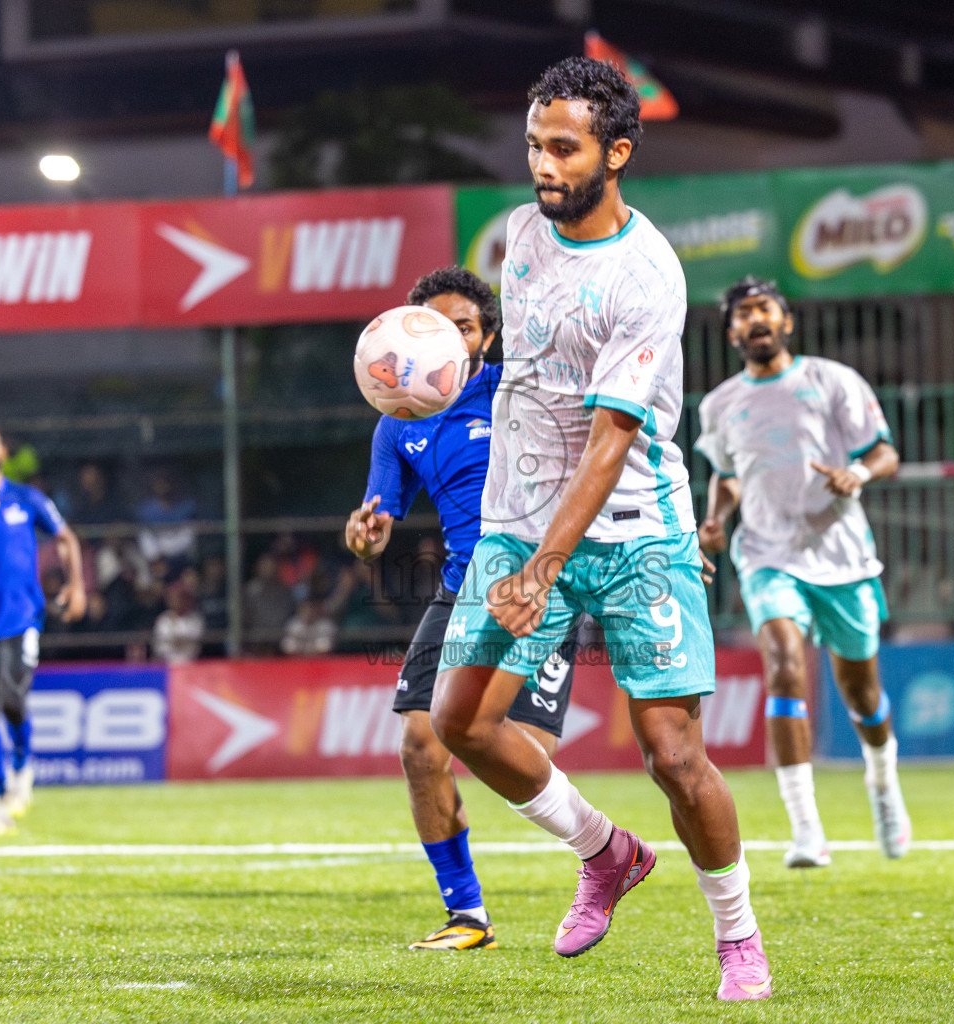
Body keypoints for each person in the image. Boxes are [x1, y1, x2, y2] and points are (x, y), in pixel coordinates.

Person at [428, 58, 770, 1001]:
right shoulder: (523, 238)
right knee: (460, 721)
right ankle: (605, 852)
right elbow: (530, 376)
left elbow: (616, 433)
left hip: (635, 528)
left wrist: (545, 564)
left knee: (672, 752)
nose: (542, 163)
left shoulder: (648, 273)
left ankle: (737, 935)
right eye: (534, 143)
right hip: (520, 518)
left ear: (616, 152)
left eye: (563, 147)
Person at [346, 265, 579, 953]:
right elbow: (375, 519)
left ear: (488, 336)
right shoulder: (398, 420)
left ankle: (602, 851)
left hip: (538, 580)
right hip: (458, 588)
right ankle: (466, 915)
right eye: (438, 326)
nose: (451, 339)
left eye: (465, 326)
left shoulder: (515, 391)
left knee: (523, 757)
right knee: (420, 748)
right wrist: (367, 536)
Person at [695, 276, 910, 871]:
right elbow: (728, 472)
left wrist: (858, 476)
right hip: (766, 554)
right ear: (732, 331)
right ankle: (807, 830)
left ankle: (882, 783)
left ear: (785, 321)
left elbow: (885, 451)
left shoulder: (831, 380)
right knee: (785, 665)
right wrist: (715, 518)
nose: (754, 319)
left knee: (861, 691)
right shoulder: (720, 404)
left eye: (764, 309)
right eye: (742, 313)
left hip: (842, 556)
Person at [0, 422, 87, 835]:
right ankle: (1, 797)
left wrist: (76, 585)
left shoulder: (25, 498)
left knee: (12, 696)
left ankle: (22, 764)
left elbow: (65, 537)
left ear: (2, 451)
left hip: (19, 616)